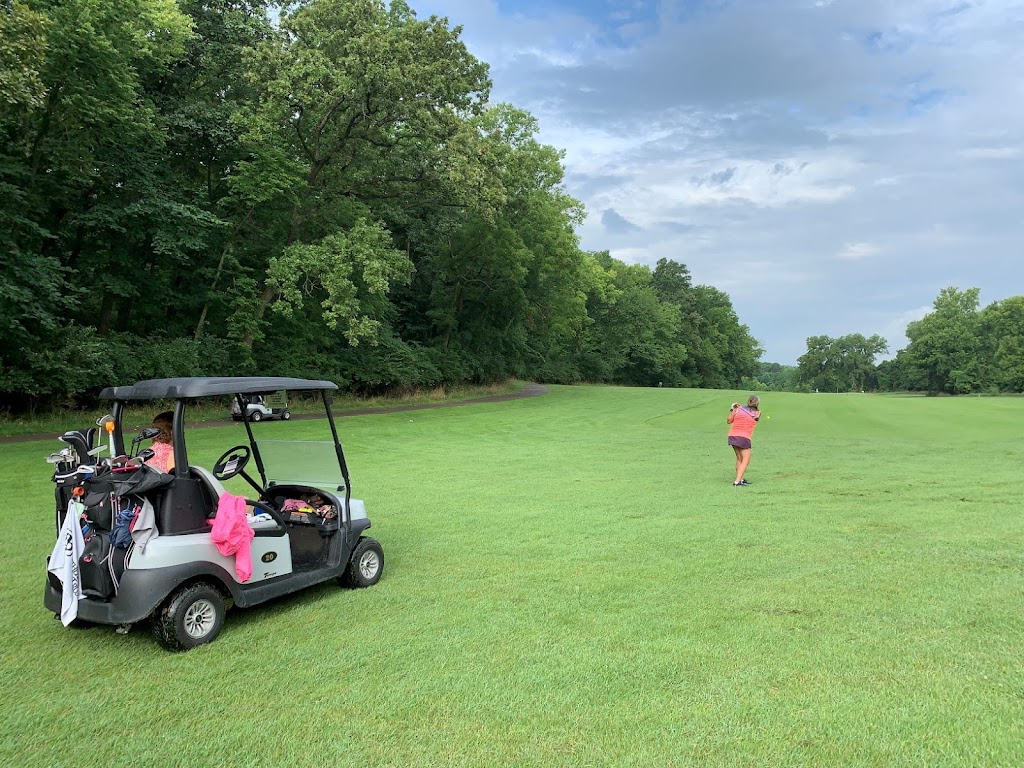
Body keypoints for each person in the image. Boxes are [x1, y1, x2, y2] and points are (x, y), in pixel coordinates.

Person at [726, 395, 760, 486]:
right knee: (745, 460)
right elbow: (756, 420)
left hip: (732, 436)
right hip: (744, 437)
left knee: (739, 459)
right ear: (757, 403)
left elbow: (729, 421)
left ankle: (740, 479)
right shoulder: (757, 412)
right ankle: (737, 481)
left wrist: (733, 408)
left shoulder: (738, 409)